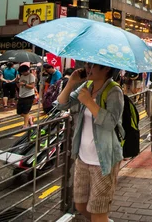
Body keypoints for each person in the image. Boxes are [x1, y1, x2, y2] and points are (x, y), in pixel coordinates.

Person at [57, 63, 124, 222]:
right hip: (82, 158)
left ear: (106, 68)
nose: (88, 69)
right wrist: (71, 82)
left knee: (98, 211)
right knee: (80, 205)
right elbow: (62, 104)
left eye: (92, 66)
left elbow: (110, 123)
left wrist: (89, 102)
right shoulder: (87, 86)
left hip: (103, 161)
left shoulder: (114, 91)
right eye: (87, 65)